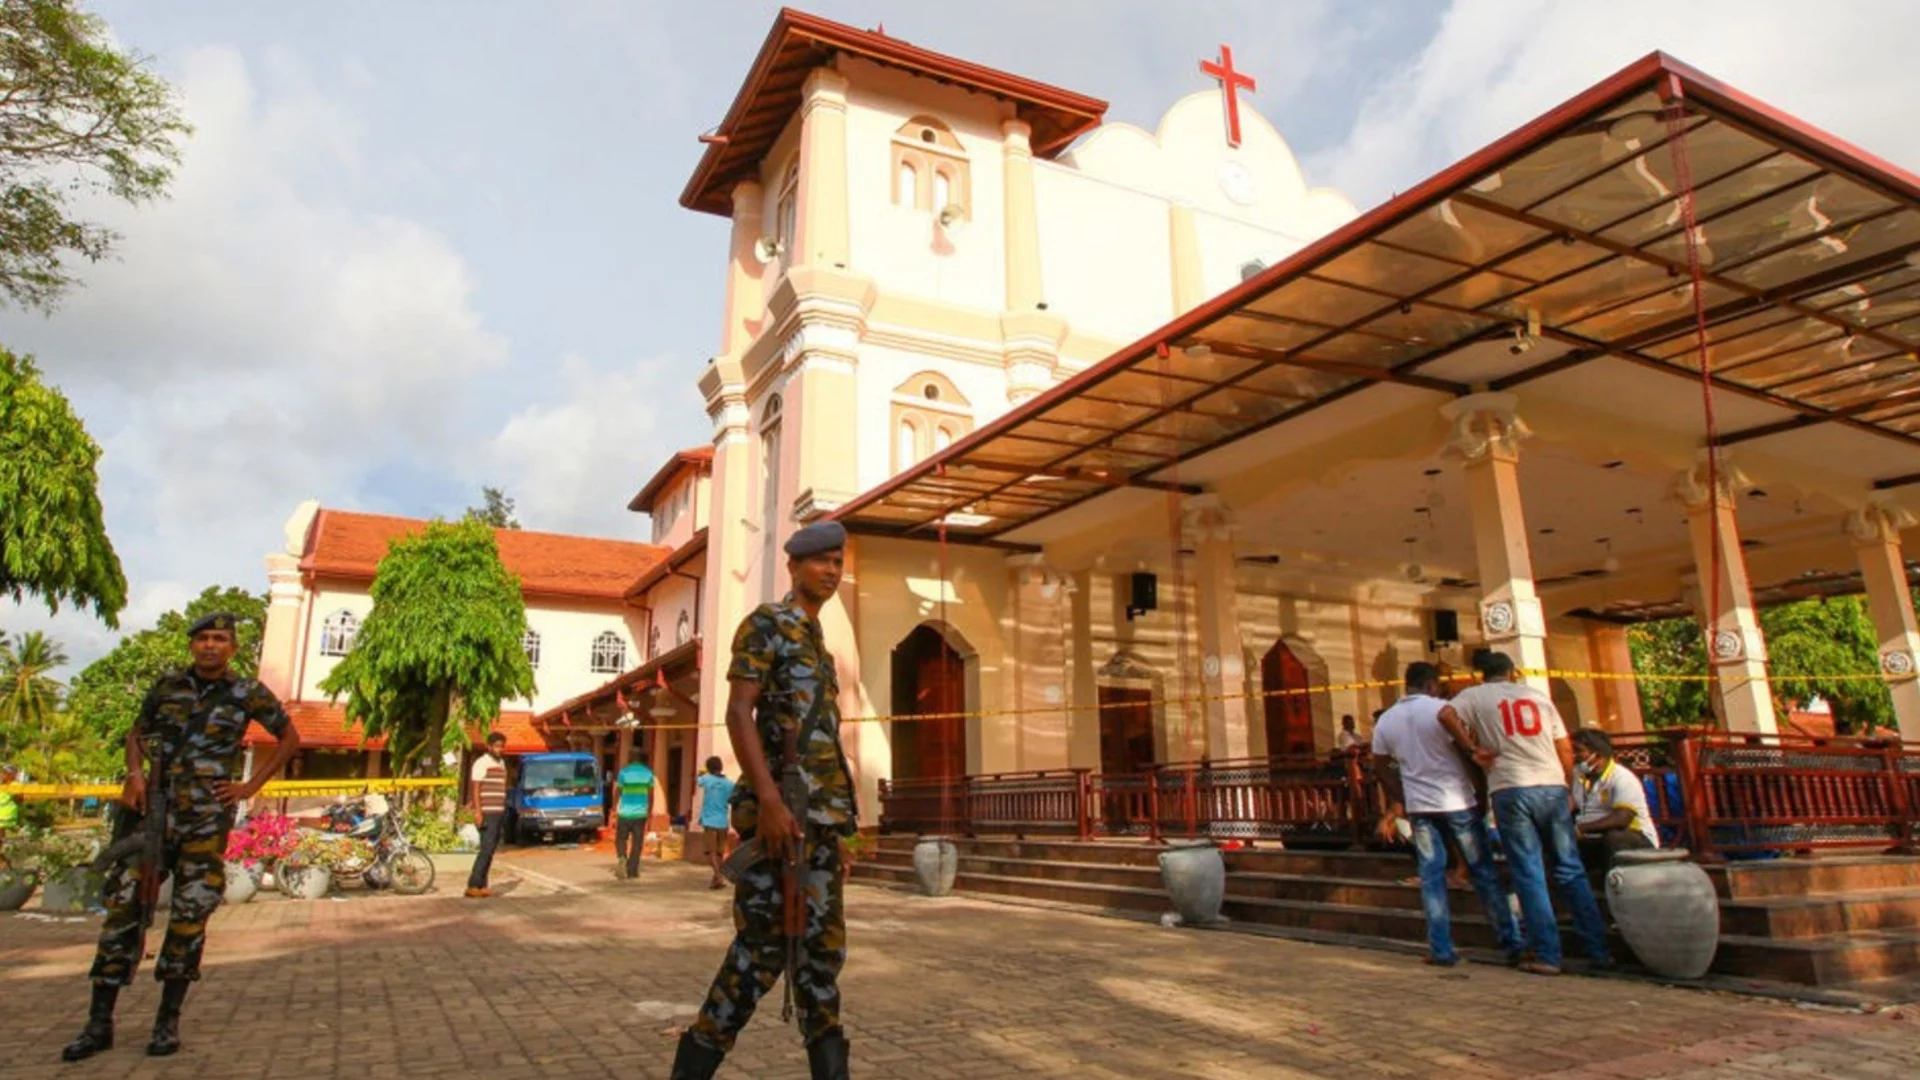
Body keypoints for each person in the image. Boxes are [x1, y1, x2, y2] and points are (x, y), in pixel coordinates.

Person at [62, 613, 302, 1061]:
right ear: (192, 645)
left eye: (220, 639)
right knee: (123, 912)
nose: (210, 646)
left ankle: (166, 1023)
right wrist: (134, 776)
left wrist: (250, 787)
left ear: (232, 647)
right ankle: (98, 1023)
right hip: (152, 814)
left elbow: (289, 737)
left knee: (190, 918)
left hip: (205, 819)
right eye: (203, 639)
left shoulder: (246, 692)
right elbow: (137, 734)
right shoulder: (168, 686)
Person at [672, 520, 858, 1080]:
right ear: (794, 566)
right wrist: (771, 803)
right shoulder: (766, 625)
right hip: (778, 820)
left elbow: (821, 738)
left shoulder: (819, 643)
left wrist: (840, 834)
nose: (831, 570)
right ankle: (694, 1065)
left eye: (838, 562)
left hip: (819, 824)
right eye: (821, 561)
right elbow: (738, 712)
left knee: (823, 957)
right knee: (760, 954)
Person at [1441, 650, 1612, 976]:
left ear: (1481, 675)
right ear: (1513, 672)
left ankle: (1548, 954)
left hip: (1510, 787)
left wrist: (1472, 748)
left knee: (1529, 872)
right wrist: (1566, 785)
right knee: (1570, 869)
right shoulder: (1538, 698)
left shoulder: (1475, 695)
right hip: (1550, 786)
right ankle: (1598, 950)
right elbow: (1563, 747)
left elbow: (1446, 715)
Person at [1372, 663, 1524, 967]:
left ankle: (1441, 948)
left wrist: (1399, 796)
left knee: (1432, 877)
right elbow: (1468, 755)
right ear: (1431, 684)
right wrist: (1480, 793)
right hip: (1456, 800)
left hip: (1420, 806)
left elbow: (1380, 765)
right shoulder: (1443, 710)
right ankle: (1511, 943)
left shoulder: (1387, 720)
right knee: (1483, 872)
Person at [1571, 728, 1659, 867]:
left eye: (1578, 751)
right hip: (1593, 839)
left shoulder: (1622, 777)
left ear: (1597, 755)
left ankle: (1619, 884)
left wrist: (1581, 828)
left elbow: (1622, 819)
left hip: (1634, 839)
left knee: (1615, 837)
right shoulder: (1578, 775)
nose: (1573, 755)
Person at [466, 732, 510, 898]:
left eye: (502, 746)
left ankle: (483, 885)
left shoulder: (502, 763)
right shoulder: (481, 763)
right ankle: (473, 884)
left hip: (498, 811)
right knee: (486, 848)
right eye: (497, 746)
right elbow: (476, 788)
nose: (500, 749)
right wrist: (478, 811)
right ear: (489, 746)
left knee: (491, 849)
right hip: (486, 811)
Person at [695, 756, 736, 890]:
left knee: (710, 851)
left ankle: (718, 875)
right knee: (719, 852)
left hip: (709, 820)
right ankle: (716, 880)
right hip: (723, 821)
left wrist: (702, 772)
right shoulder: (729, 784)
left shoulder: (706, 779)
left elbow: (698, 780)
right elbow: (732, 799)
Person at [613, 756, 657, 880]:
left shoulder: (624, 772)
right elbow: (651, 794)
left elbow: (618, 791)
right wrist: (649, 810)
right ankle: (632, 870)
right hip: (640, 814)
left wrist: (614, 807)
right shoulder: (648, 773)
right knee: (637, 842)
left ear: (630, 757)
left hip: (624, 813)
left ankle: (622, 857)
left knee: (621, 838)